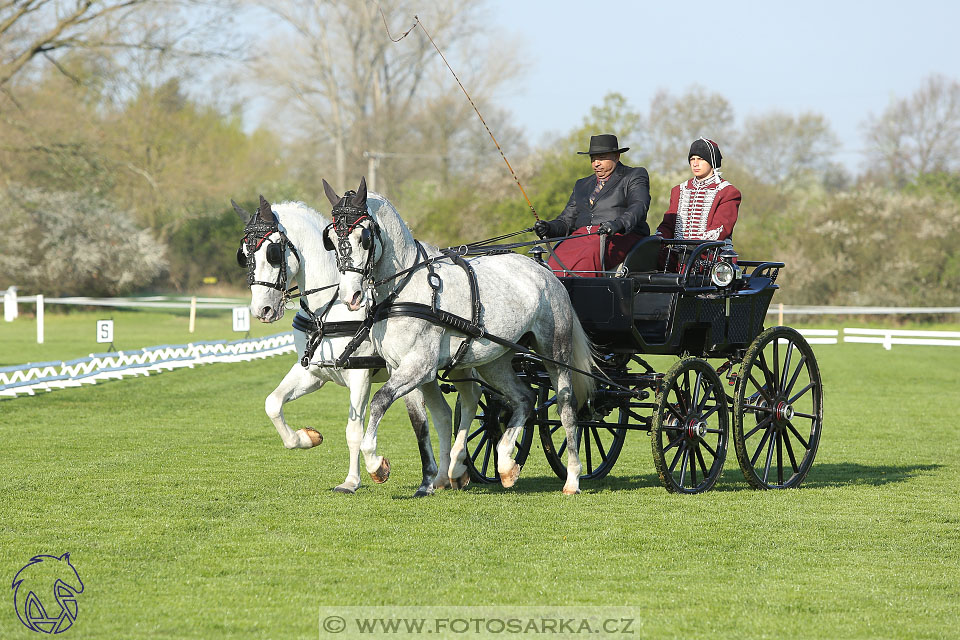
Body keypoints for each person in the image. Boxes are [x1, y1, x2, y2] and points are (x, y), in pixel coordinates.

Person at [534, 134, 650, 277]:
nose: (596, 163)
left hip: (619, 235)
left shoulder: (634, 175)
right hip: (582, 236)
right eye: (593, 159)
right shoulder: (581, 185)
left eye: (601, 158)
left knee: (589, 253)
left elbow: (639, 206)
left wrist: (617, 224)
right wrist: (548, 228)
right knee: (557, 255)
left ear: (616, 157)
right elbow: (566, 221)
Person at [657, 137, 740, 243]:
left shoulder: (728, 192)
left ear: (712, 162)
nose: (695, 163)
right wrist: (658, 239)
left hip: (710, 255)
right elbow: (668, 225)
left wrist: (693, 246)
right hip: (678, 254)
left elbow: (720, 229)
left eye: (700, 159)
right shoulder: (679, 190)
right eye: (692, 159)